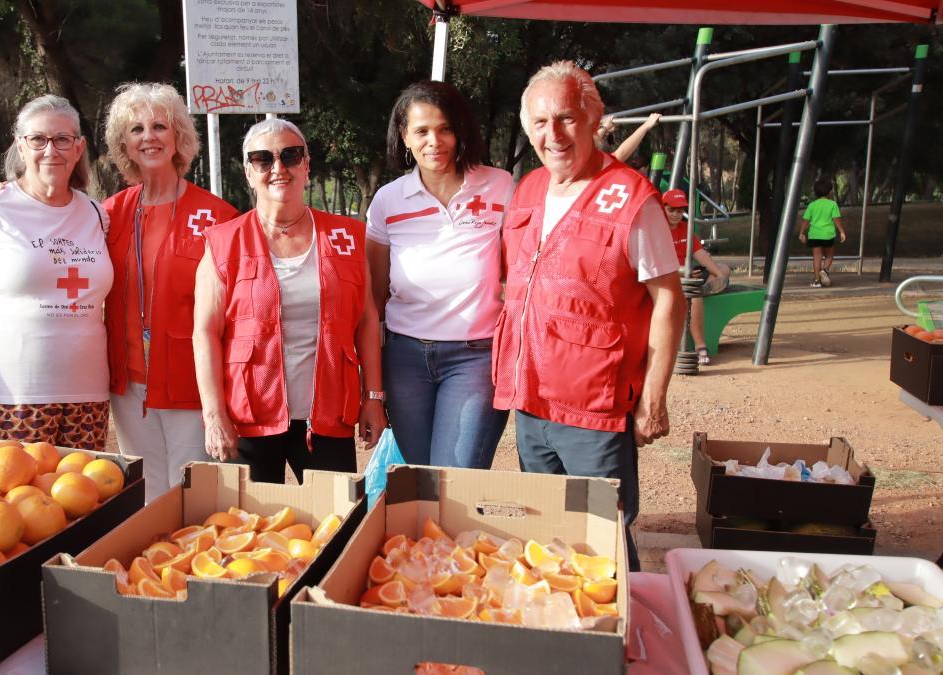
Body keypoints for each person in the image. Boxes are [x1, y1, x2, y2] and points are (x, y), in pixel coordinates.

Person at [493, 62, 686, 571]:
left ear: (594, 119)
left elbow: (669, 297)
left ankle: (622, 637)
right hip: (531, 399)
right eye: (538, 122)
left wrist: (654, 399)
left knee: (605, 535)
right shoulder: (530, 187)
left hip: (594, 410)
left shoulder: (632, 200)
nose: (552, 135)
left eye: (566, 118)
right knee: (547, 528)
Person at [192, 119, 386, 484]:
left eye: (290, 156)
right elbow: (205, 333)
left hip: (329, 414)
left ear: (306, 165)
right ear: (249, 172)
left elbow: (366, 319)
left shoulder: (347, 236)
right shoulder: (223, 242)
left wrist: (373, 395)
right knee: (247, 527)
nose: (278, 168)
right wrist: (214, 414)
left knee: (335, 524)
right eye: (263, 159)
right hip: (249, 414)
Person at [0, 94, 112, 450]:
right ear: (20, 145)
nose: (51, 150)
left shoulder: (97, 214)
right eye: (38, 139)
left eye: (63, 139)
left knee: (85, 502)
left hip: (88, 397)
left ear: (78, 148)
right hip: (11, 399)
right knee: (16, 504)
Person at [101, 83, 239, 502]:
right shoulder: (109, 214)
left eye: (160, 126)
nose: (149, 137)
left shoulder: (218, 216)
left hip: (190, 383)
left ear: (179, 135)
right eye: (137, 128)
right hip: (128, 385)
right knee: (147, 496)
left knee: (194, 494)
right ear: (124, 142)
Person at [365, 81, 510, 469]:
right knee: (421, 477)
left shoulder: (500, 187)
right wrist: (373, 390)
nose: (435, 141)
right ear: (404, 136)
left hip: (476, 358)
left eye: (445, 128)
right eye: (422, 131)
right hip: (405, 359)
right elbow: (373, 299)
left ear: (460, 130)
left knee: (454, 476)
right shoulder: (388, 201)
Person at [662, 189, 731, 365]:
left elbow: (700, 254)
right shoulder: (657, 230)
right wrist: (682, 271)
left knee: (723, 269)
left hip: (689, 274)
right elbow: (655, 262)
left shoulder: (686, 229)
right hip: (669, 275)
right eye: (671, 210)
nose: (676, 215)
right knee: (695, 295)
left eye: (679, 211)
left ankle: (710, 284)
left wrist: (717, 274)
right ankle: (701, 345)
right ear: (663, 208)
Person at [798, 177, 846, 288]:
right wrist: (842, 231)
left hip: (814, 234)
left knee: (816, 257)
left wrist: (801, 233)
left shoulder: (812, 205)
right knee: (829, 255)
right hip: (828, 234)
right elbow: (836, 219)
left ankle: (817, 281)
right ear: (830, 192)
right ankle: (824, 270)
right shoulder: (832, 204)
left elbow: (806, 220)